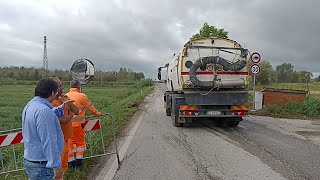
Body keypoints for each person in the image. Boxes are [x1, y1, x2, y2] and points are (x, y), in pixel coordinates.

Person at [22, 78, 73, 180]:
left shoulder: (31, 105)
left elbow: (47, 115)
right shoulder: (44, 112)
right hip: (42, 165)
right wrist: (56, 165)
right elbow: (49, 140)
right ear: (52, 93)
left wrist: (61, 108)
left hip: (32, 161)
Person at [66, 80, 101, 168]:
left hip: (67, 125)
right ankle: (79, 162)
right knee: (80, 144)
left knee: (69, 144)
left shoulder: (65, 96)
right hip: (78, 125)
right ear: (78, 86)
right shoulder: (82, 96)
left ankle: (70, 163)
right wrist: (98, 114)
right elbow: (90, 108)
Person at [50, 77, 79, 175]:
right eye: (60, 86)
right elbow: (62, 120)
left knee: (63, 166)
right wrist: (70, 115)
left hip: (66, 137)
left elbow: (76, 111)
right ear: (53, 89)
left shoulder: (63, 99)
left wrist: (67, 100)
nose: (62, 88)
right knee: (58, 168)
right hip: (58, 139)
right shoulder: (51, 103)